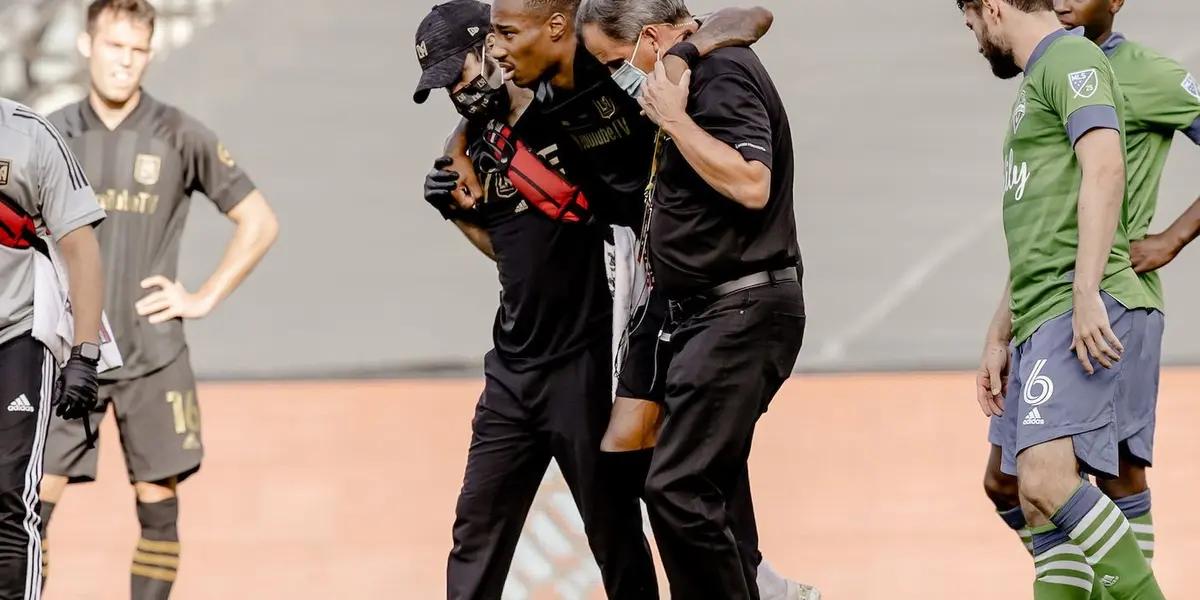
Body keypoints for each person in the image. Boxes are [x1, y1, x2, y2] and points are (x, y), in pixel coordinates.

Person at [413, 2, 658, 598]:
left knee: (613, 529)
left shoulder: (567, 109)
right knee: (475, 532)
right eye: (443, 88)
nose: (456, 94)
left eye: (458, 74)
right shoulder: (476, 143)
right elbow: (507, 252)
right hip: (512, 371)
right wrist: (454, 212)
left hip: (585, 361)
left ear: (492, 47)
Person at [38, 1, 280, 598]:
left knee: (158, 508)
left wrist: (201, 297)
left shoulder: (179, 133)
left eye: (137, 50)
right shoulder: (50, 135)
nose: (125, 61)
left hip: (152, 356)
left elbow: (258, 221)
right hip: (68, 355)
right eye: (114, 46)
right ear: (87, 46)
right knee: (30, 508)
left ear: (150, 54)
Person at [573, 2, 804, 599]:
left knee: (678, 485)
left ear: (649, 37)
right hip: (699, 312)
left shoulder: (721, 74)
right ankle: (762, 586)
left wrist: (676, 120)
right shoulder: (686, 68)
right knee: (673, 473)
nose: (615, 79)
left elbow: (752, 182)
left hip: (742, 307)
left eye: (615, 63)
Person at [981, 0, 1200, 574]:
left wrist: (1173, 238)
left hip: (1109, 298)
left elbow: (1105, 172)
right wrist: (1001, 326)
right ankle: (1104, 582)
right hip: (1047, 297)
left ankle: (1121, 586)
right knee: (1009, 483)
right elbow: (1048, 215)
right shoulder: (1044, 69)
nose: (1063, 0)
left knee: (1112, 475)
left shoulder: (1147, 73)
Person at [0, 97, 106, 600]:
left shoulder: (30, 136)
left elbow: (79, 244)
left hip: (16, 335)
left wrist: (84, 353)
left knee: (9, 493)